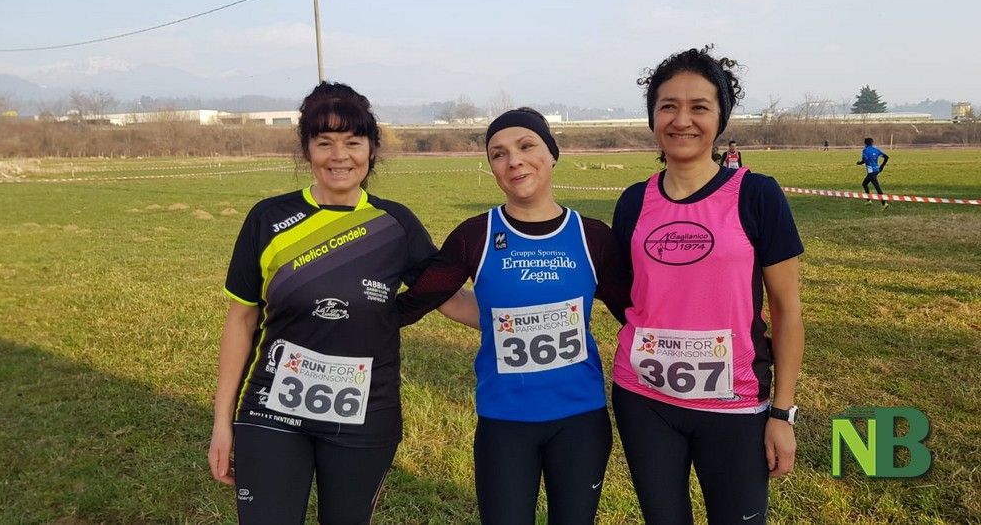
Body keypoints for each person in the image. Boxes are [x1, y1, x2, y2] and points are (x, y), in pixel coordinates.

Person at [208, 81, 476, 525]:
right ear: (306, 150)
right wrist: (222, 422)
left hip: (366, 418)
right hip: (272, 410)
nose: (339, 156)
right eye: (324, 142)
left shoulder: (395, 224)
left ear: (371, 149)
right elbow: (240, 320)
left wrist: (525, 316)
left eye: (353, 142)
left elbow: (450, 299)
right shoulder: (268, 219)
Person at [398, 108, 632, 525]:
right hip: (504, 421)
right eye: (498, 154)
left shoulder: (592, 236)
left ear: (552, 153)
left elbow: (635, 313)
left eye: (526, 146)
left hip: (580, 419)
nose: (514, 161)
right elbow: (426, 296)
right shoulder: (476, 234)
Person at [611, 46, 806, 525]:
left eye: (699, 106)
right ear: (653, 117)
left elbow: (787, 311)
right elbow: (627, 296)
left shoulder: (757, 194)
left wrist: (781, 414)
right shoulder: (633, 202)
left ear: (720, 118)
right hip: (644, 400)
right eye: (668, 106)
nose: (682, 120)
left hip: (734, 405)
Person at [857, 137, 890, 209]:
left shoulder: (865, 150)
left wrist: (859, 163)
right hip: (876, 170)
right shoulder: (876, 149)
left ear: (865, 143)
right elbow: (887, 157)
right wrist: (882, 166)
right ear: (872, 143)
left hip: (871, 172)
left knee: (877, 187)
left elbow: (864, 160)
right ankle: (869, 200)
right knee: (864, 184)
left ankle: (884, 204)